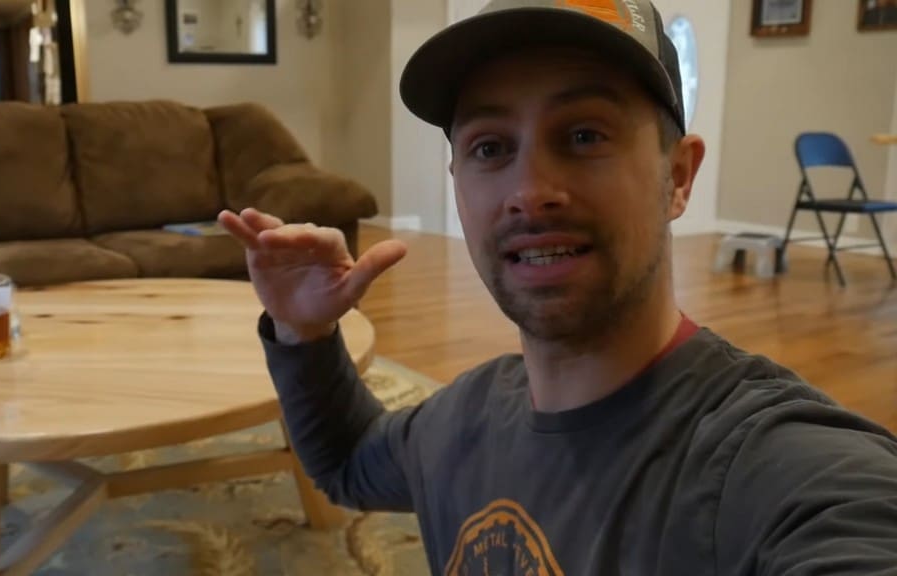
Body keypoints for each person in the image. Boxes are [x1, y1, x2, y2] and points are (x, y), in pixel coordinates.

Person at [218, 0, 897, 574]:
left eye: (582, 134)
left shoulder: (777, 472)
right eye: (490, 147)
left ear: (679, 176)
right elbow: (346, 461)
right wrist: (304, 334)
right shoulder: (463, 418)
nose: (529, 193)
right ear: (457, 179)